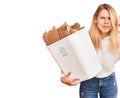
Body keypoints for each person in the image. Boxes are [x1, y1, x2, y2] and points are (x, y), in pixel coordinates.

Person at [60, 3, 120, 98]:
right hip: (88, 82)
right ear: (95, 19)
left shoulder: (117, 39)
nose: (106, 22)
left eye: (110, 18)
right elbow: (70, 56)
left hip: (109, 81)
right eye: (102, 18)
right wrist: (63, 77)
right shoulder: (83, 36)